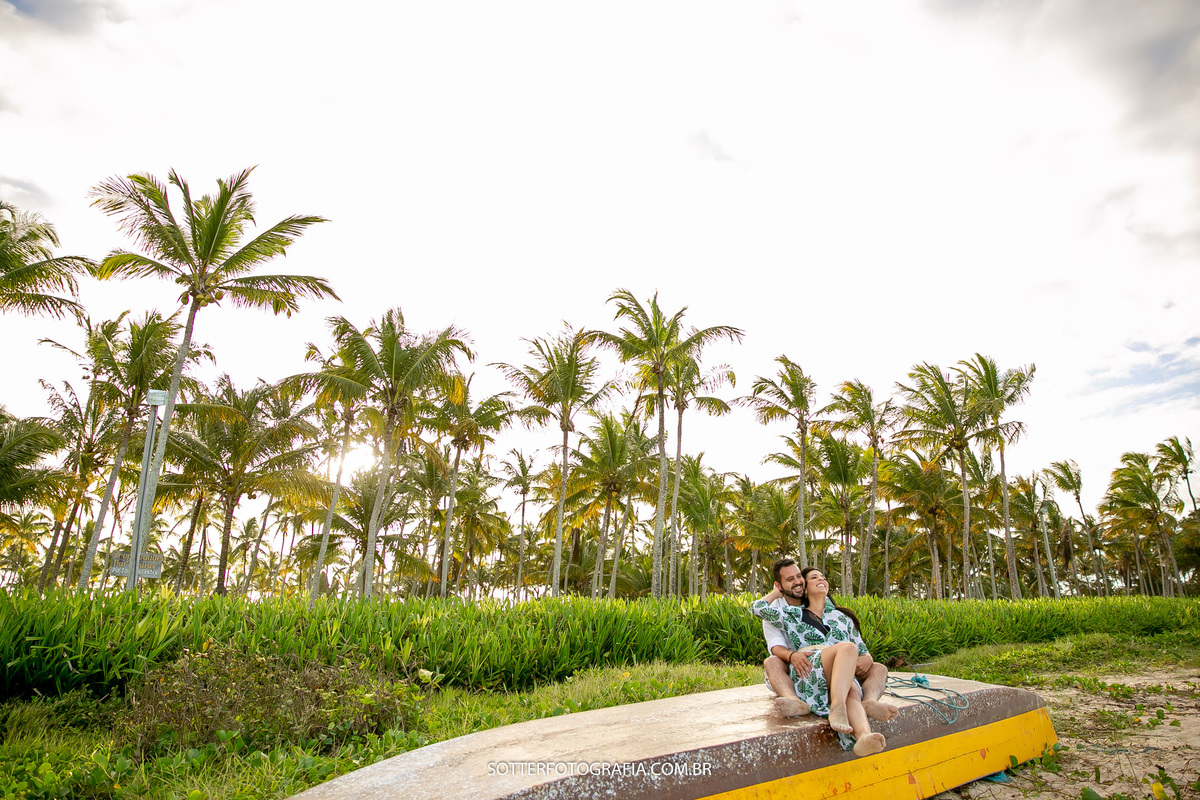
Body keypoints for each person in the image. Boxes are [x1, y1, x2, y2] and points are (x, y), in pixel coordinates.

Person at [750, 558, 895, 757]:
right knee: (847, 649)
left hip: (840, 670)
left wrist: (867, 658)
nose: (820, 580)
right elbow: (757, 608)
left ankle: (863, 735)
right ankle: (836, 706)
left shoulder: (841, 617)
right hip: (810, 667)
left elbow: (861, 647)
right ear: (806, 590)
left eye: (822, 577)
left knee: (853, 688)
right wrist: (777, 592)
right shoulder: (792, 613)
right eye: (813, 577)